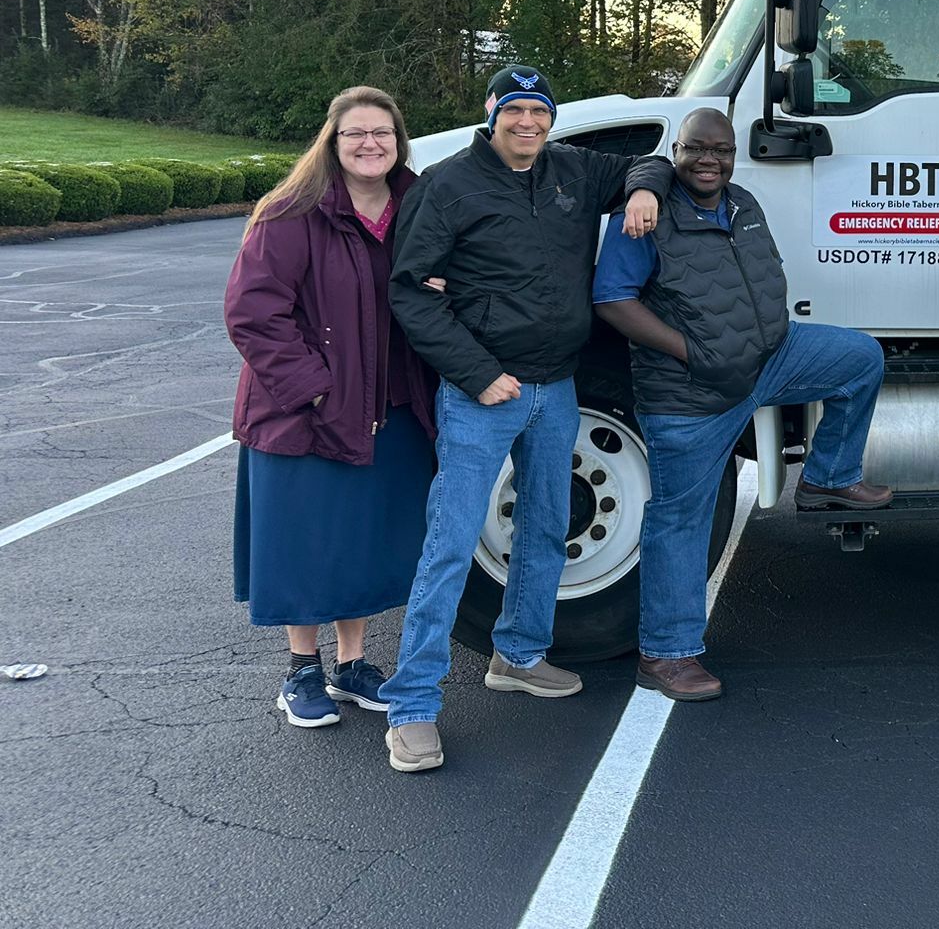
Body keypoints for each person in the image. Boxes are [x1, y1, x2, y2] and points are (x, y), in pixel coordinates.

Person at [377, 65, 671, 772]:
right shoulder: (447, 186)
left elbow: (651, 158)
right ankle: (412, 706)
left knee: (544, 526)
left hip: (557, 386)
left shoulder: (570, 168)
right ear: (492, 113)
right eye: (516, 112)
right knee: (451, 543)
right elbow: (412, 294)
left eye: (539, 112)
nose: (529, 124)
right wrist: (479, 375)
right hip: (483, 394)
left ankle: (518, 654)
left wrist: (639, 191)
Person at [592, 107, 891, 702]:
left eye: (721, 150)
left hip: (771, 360)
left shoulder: (742, 203)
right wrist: (690, 352)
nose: (710, 160)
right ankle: (667, 655)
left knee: (861, 358)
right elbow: (611, 298)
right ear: (676, 152)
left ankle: (828, 477)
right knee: (680, 521)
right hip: (692, 390)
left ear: (733, 154)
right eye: (697, 149)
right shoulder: (646, 216)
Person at [225, 86, 437, 731]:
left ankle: (352, 665)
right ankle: (301, 669)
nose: (370, 144)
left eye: (383, 133)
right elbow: (253, 314)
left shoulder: (416, 208)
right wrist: (315, 388)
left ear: (398, 142)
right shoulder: (291, 214)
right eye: (356, 133)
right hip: (304, 413)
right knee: (306, 541)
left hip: (392, 408)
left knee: (364, 542)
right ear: (332, 141)